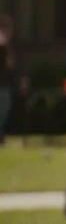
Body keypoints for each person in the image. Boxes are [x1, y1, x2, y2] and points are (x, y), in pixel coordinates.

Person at [0, 15, 15, 144]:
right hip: (2, 84)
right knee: (3, 108)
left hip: (3, 83)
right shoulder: (3, 42)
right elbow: (9, 64)